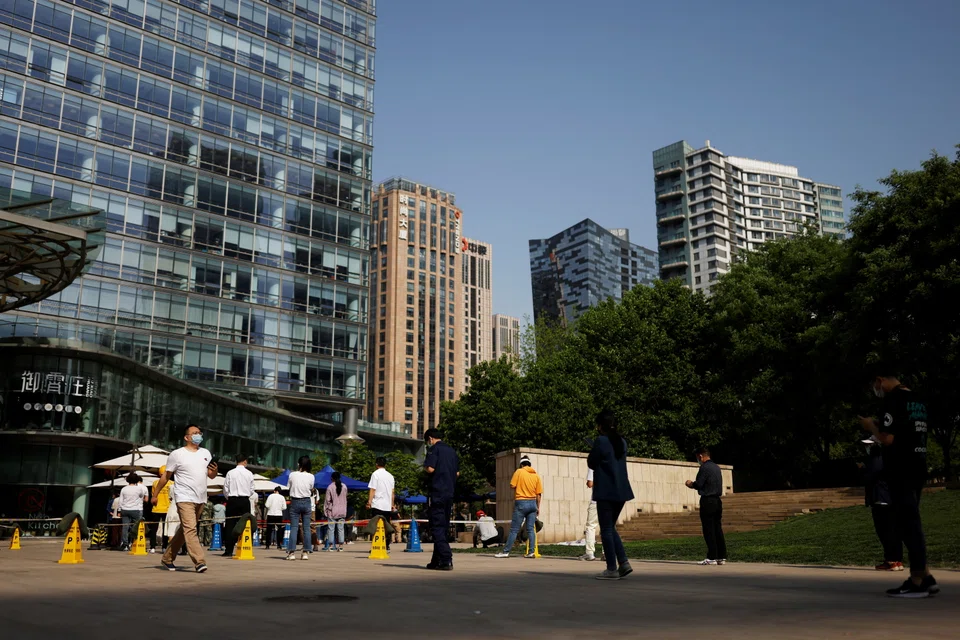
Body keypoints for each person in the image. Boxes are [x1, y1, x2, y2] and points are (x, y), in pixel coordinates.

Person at [860, 370, 938, 597]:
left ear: (879, 380)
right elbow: (906, 429)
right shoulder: (917, 400)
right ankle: (926, 576)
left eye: (874, 385)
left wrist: (870, 426)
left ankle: (916, 582)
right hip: (918, 464)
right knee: (911, 521)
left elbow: (888, 438)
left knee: (908, 525)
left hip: (901, 468)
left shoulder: (892, 400)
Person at [152, 424, 219, 572]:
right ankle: (199, 561)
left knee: (185, 530)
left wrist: (214, 471)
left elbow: (211, 476)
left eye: (200, 433)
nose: (198, 435)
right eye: (195, 433)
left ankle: (167, 558)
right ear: (186, 437)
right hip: (183, 496)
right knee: (191, 529)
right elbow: (166, 476)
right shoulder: (177, 454)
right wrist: (155, 494)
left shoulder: (205, 453)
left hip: (200, 497)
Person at [587, 410, 634, 580]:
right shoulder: (621, 442)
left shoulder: (600, 441)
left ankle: (612, 568)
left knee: (606, 529)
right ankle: (623, 562)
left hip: (606, 490)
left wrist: (594, 450)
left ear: (601, 425)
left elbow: (592, 463)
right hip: (621, 491)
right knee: (610, 527)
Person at [858, 436, 902, 571]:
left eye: (870, 445)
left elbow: (872, 476)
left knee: (885, 531)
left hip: (881, 498)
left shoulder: (877, 459)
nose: (868, 448)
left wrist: (862, 469)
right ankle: (896, 560)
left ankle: (892, 560)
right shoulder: (890, 458)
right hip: (888, 498)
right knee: (892, 530)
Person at [495, 454, 543, 559]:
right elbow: (538, 494)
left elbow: (512, 485)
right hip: (532, 504)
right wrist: (538, 507)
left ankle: (506, 551)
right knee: (530, 529)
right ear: (529, 465)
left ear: (521, 464)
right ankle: (531, 552)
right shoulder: (536, 476)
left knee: (514, 529)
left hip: (521, 502)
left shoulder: (519, 472)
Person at [423, 428, 459, 570]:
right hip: (449, 493)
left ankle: (446, 558)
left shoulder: (434, 450)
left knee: (436, 527)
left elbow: (430, 468)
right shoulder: (452, 452)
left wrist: (425, 468)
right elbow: (457, 473)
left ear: (431, 439)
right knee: (443, 527)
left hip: (437, 492)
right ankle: (436, 560)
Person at [685, 447, 727, 566]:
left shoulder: (704, 467)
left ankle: (711, 557)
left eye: (697, 458)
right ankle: (721, 556)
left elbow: (699, 484)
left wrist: (690, 484)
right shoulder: (716, 467)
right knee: (717, 528)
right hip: (717, 501)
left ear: (700, 456)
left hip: (707, 500)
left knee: (708, 529)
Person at [222, 454, 256, 557]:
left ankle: (228, 550)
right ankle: (245, 546)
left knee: (230, 524)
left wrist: (230, 498)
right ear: (245, 461)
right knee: (245, 524)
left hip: (232, 500)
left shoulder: (230, 473)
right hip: (244, 500)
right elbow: (251, 489)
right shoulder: (249, 473)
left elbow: (225, 489)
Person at [286, 455, 315, 561]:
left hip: (295, 501)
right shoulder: (311, 476)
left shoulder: (292, 475)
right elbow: (311, 488)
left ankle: (292, 552)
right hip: (306, 501)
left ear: (299, 464)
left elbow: (288, 487)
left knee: (294, 527)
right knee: (306, 528)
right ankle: (305, 552)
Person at [367, 456, 395, 551]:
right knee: (386, 526)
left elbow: (373, 489)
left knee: (375, 526)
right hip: (387, 505)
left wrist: (369, 502)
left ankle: (376, 544)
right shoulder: (390, 476)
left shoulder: (375, 474)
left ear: (376, 464)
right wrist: (392, 504)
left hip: (377, 504)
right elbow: (392, 492)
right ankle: (386, 545)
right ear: (385, 465)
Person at [119, 472, 149, 551]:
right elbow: (142, 497)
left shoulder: (124, 489)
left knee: (125, 527)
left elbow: (120, 500)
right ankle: (134, 542)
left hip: (125, 509)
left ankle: (124, 544)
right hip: (135, 509)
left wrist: (119, 510)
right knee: (136, 527)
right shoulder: (139, 489)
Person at [149, 466, 172, 552]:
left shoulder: (155, 483)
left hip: (156, 508)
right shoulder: (172, 483)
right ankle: (164, 547)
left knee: (153, 529)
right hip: (167, 508)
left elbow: (153, 495)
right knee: (165, 530)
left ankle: (152, 547)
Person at [580, 468, 601, 561]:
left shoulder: (594, 464)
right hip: (609, 500)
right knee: (607, 527)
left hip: (596, 500)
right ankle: (607, 553)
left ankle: (590, 553)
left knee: (591, 526)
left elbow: (590, 483)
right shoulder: (611, 462)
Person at [325, 471, 348, 552]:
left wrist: (326, 510)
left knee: (331, 529)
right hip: (342, 511)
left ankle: (331, 546)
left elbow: (328, 500)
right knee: (341, 529)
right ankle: (341, 545)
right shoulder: (344, 486)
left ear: (332, 478)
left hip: (332, 511)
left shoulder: (330, 487)